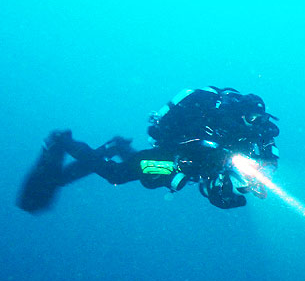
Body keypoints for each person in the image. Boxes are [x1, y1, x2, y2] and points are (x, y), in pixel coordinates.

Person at [16, 86, 279, 212]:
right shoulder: (214, 116)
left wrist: (239, 187)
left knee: (143, 176)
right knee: (117, 175)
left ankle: (116, 146)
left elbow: (219, 175)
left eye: (257, 121)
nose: (253, 125)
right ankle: (64, 141)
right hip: (172, 159)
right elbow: (186, 140)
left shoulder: (249, 134)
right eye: (251, 118)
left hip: (183, 169)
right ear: (241, 111)